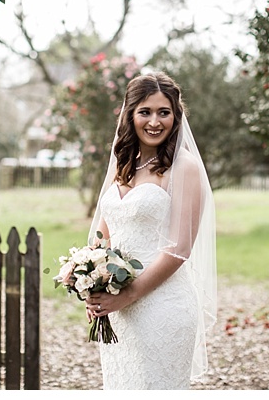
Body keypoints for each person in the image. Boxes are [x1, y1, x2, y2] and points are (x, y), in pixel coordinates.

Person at [85, 71, 217, 390]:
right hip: (119, 309)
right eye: (145, 111)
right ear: (131, 115)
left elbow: (178, 249)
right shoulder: (123, 162)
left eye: (164, 112)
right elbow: (103, 235)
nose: (155, 121)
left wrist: (128, 295)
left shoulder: (183, 167)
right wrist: (90, 280)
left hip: (163, 305)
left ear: (176, 115)